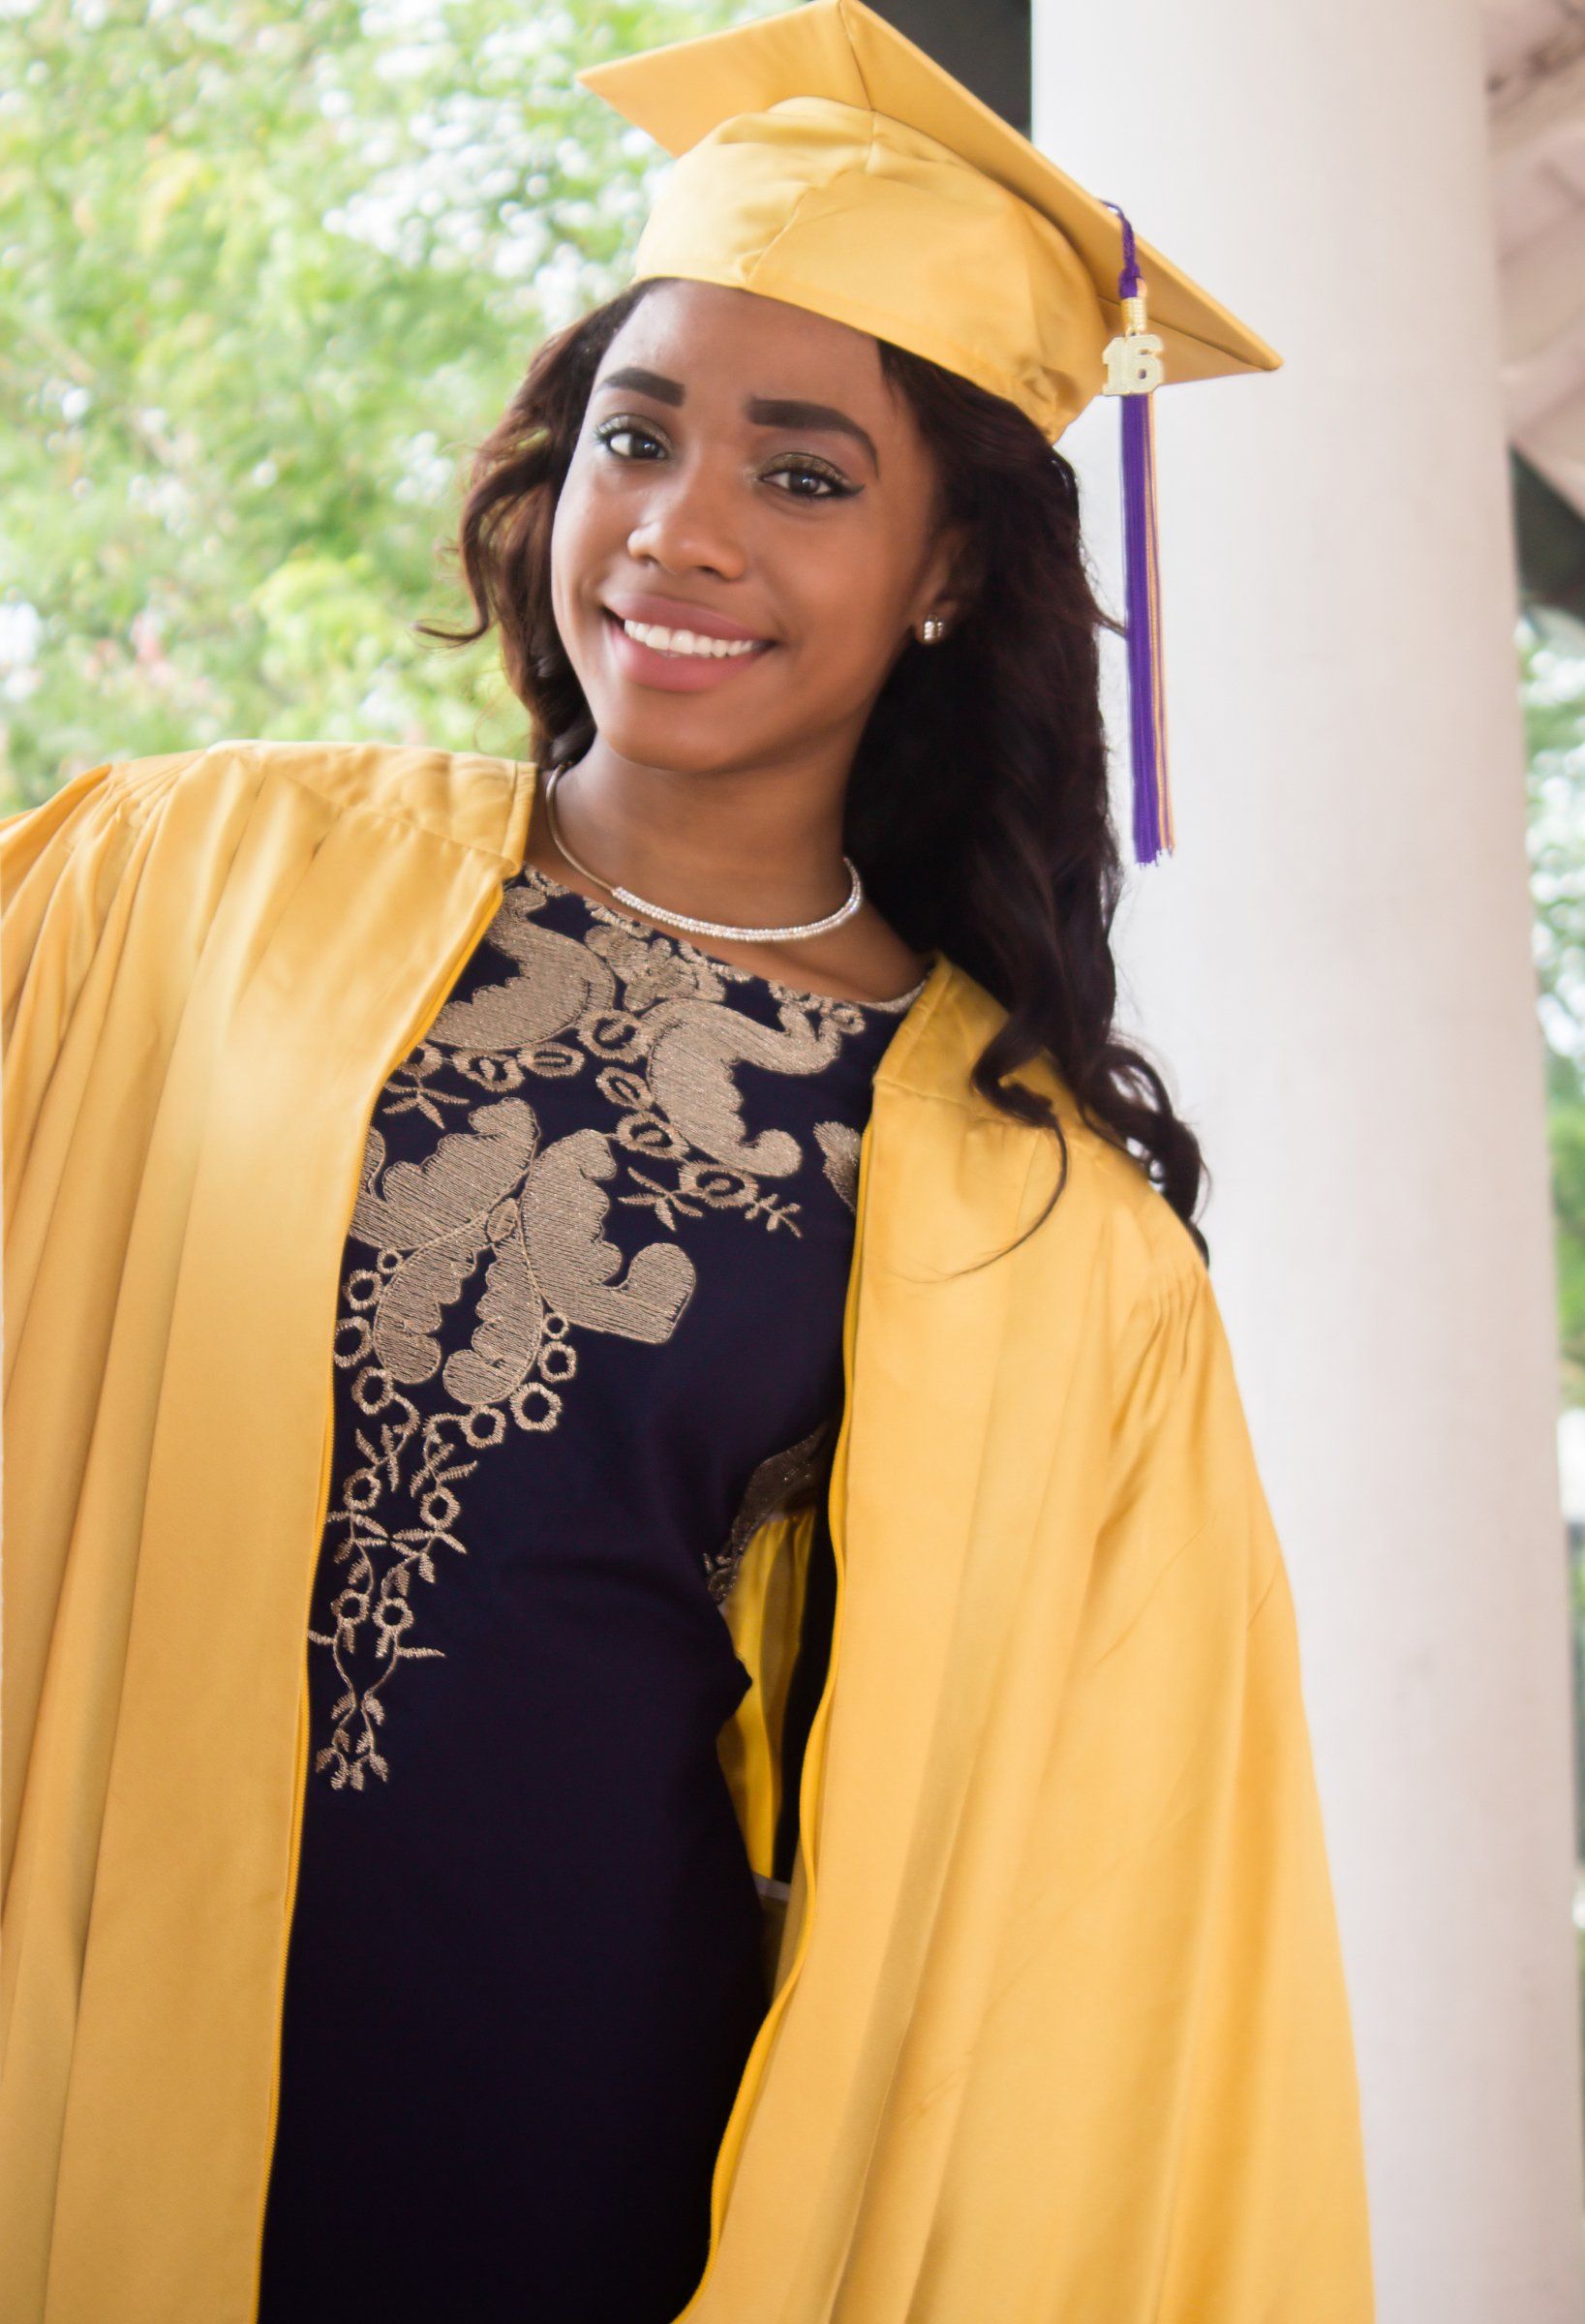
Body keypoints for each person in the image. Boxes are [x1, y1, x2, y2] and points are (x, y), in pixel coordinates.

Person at [0, 3, 1374, 2318]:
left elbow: (1087, 1874)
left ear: (947, 571)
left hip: (581, 2098)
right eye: (639, 436)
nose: (685, 528)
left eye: (807, 473)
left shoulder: (1022, 1206)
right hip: (93, 1977)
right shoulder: (200, 880)